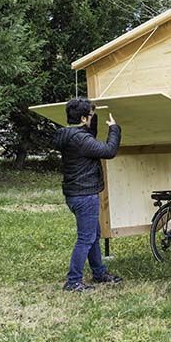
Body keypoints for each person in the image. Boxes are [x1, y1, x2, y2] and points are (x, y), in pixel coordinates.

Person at [52, 97, 124, 291]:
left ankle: (99, 273)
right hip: (85, 195)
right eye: (90, 115)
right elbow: (109, 150)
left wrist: (95, 113)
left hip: (75, 194)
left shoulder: (68, 135)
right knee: (86, 238)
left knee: (93, 234)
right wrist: (114, 128)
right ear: (84, 118)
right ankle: (73, 281)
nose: (91, 118)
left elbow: (88, 135)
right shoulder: (81, 140)